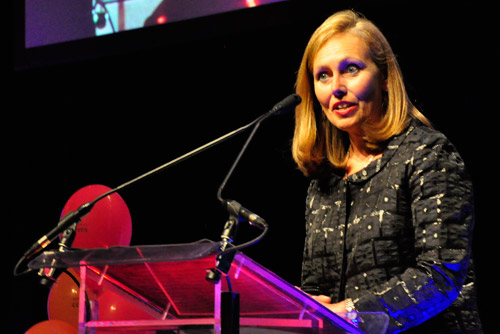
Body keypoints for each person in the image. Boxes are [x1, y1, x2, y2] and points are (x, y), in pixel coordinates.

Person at [292, 10, 482, 334]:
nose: (336, 88)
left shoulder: (427, 153)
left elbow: (441, 275)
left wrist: (349, 313)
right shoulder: (324, 183)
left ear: (383, 76)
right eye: (323, 75)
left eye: (350, 69)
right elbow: (316, 291)